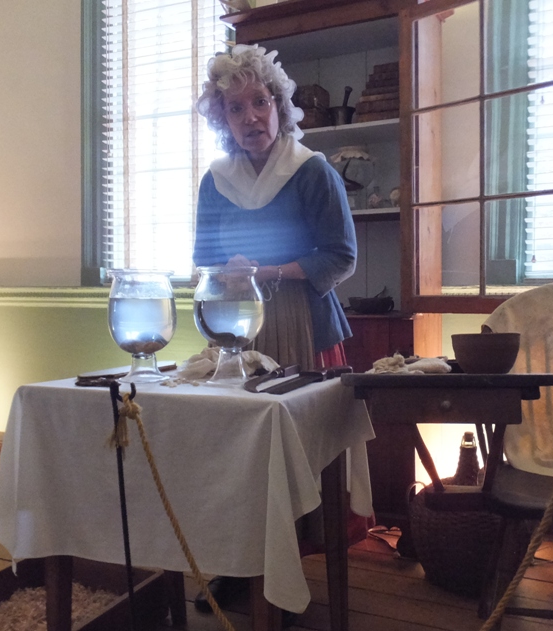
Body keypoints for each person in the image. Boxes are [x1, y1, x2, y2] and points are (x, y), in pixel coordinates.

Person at [192, 44, 368, 616]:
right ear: (222, 120)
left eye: (260, 102)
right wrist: (227, 271)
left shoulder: (312, 170)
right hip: (234, 326)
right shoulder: (214, 182)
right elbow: (203, 258)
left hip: (303, 324)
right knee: (233, 453)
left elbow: (341, 256)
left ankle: (286, 579)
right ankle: (239, 568)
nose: (251, 117)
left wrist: (272, 270)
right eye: (235, 108)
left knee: (297, 453)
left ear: (279, 104)